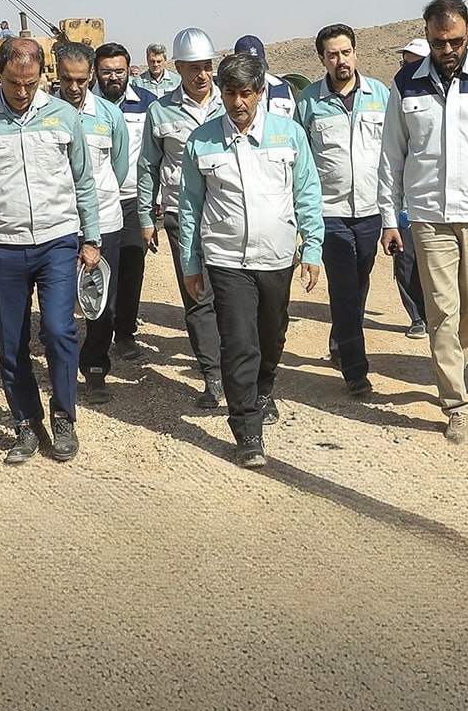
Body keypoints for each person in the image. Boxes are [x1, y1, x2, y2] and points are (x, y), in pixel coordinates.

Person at [378, 0, 468, 444]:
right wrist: (390, 217)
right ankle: (456, 403)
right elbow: (392, 156)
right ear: (427, 36)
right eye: (439, 42)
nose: (447, 50)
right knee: (442, 311)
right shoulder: (406, 83)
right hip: (428, 217)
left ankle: (453, 368)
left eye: (455, 41)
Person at [0, 36, 100, 464]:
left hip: (57, 242)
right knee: (11, 342)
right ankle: (26, 423)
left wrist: (91, 238)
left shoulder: (63, 116)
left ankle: (63, 417)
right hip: (4, 247)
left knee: (59, 331)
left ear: (41, 76)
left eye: (30, 83)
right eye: (14, 82)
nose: (21, 91)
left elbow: (83, 180)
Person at [178, 52, 323, 468]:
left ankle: (264, 388)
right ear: (220, 92)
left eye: (245, 93)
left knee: (271, 335)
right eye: (230, 93)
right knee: (239, 341)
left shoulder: (288, 134)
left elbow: (307, 193)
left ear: (260, 92)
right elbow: (190, 205)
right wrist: (191, 263)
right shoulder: (202, 140)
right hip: (226, 258)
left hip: (277, 257)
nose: (237, 102)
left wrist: (312, 248)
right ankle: (247, 430)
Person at [294, 23, 389, 395]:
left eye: (346, 52)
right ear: (322, 59)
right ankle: (356, 371)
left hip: (370, 210)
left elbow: (394, 153)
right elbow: (300, 161)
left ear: (355, 52)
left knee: (360, 283)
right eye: (332, 55)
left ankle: (340, 341)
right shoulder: (309, 102)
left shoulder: (380, 95)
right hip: (329, 211)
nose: (341, 61)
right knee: (345, 288)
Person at [137, 28, 225, 407]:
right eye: (193, 68)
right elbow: (147, 166)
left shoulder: (231, 102)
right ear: (178, 68)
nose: (201, 75)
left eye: (206, 67)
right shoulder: (160, 111)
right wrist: (145, 216)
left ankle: (238, 367)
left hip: (227, 215)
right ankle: (213, 375)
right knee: (197, 294)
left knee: (232, 295)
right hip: (180, 215)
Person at [55, 42, 129, 404]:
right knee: (59, 298)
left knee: (102, 301)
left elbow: (119, 167)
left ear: (91, 78)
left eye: (81, 81)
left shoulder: (110, 116)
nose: (74, 88)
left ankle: (95, 367)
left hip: (104, 220)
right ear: (56, 75)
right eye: (67, 79)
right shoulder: (45, 114)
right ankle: (62, 364)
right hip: (59, 222)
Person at [92, 42, 158, 362]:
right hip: (95, 202)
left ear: (129, 71)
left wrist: (155, 198)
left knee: (131, 268)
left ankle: (125, 333)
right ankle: (97, 331)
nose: (113, 77)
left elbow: (155, 154)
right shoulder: (83, 104)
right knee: (98, 267)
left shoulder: (147, 104)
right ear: (96, 72)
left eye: (119, 71)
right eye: (106, 71)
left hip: (133, 199)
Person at [392, 39, 430, 339]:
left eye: (414, 61)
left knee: (433, 263)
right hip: (405, 203)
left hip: (433, 201)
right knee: (405, 263)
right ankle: (417, 316)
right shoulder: (398, 94)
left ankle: (437, 314)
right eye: (405, 61)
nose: (408, 67)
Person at [232, 35, 295, 117]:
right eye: (249, 68)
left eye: (257, 67)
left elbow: (292, 118)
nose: (255, 72)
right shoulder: (228, 90)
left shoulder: (281, 87)